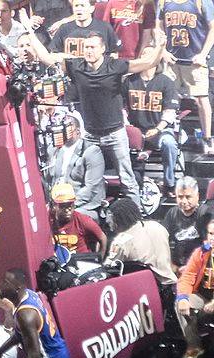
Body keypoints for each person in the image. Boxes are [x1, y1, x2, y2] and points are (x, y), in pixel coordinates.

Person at [29, 29, 167, 210]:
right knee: (87, 179)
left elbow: (149, 62)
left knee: (127, 179)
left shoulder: (115, 66)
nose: (88, 51)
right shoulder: (76, 66)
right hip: (91, 136)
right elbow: (46, 57)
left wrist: (161, 45)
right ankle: (92, 213)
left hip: (115, 134)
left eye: (92, 47)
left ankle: (136, 219)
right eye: (86, 47)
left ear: (103, 49)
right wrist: (29, 31)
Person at [123, 46, 180, 196]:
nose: (147, 57)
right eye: (144, 54)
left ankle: (169, 184)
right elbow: (120, 107)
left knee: (169, 143)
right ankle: (129, 184)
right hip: (134, 130)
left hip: (158, 129)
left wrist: (157, 129)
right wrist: (129, 127)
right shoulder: (129, 81)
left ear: (157, 59)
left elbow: (170, 111)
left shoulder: (166, 82)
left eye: (151, 54)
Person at [158, 0, 214, 152]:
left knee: (202, 99)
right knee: (167, 99)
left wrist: (203, 54)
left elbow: (212, 28)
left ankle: (207, 138)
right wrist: (163, 51)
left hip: (194, 60)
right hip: (172, 60)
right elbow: (158, 26)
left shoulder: (201, 2)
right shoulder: (164, 2)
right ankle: (167, 132)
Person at [106, 197, 178, 286]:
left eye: (110, 222)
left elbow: (109, 269)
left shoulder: (121, 241)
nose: (109, 224)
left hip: (146, 290)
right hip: (172, 284)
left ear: (117, 220)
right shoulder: (157, 226)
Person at [47, 115, 105, 221]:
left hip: (80, 204)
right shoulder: (54, 150)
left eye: (68, 128)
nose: (64, 132)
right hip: (56, 201)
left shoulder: (91, 151)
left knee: (68, 217)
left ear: (78, 131)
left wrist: (66, 204)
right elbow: (48, 180)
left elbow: (91, 188)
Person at [176, 217, 214, 358]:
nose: (212, 238)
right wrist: (183, 298)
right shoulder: (201, 252)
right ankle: (194, 346)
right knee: (181, 304)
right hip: (203, 298)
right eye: (210, 234)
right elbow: (187, 276)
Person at [162, 176, 214, 269]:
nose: (184, 201)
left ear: (197, 196)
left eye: (188, 197)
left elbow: (209, 245)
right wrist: (170, 264)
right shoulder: (172, 213)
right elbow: (162, 241)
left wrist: (192, 267)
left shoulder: (206, 214)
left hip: (201, 265)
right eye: (180, 197)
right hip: (177, 266)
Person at [49, 183, 107, 254]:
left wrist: (99, 259)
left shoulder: (83, 220)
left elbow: (102, 238)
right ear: (53, 205)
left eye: (70, 204)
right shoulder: (46, 220)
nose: (68, 209)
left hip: (80, 260)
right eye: (63, 205)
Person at [49, 0, 120, 57]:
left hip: (98, 73)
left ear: (92, 9)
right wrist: (67, 57)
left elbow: (114, 53)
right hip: (72, 73)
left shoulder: (105, 28)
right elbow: (54, 54)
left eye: (82, 6)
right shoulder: (64, 28)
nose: (79, 9)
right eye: (76, 6)